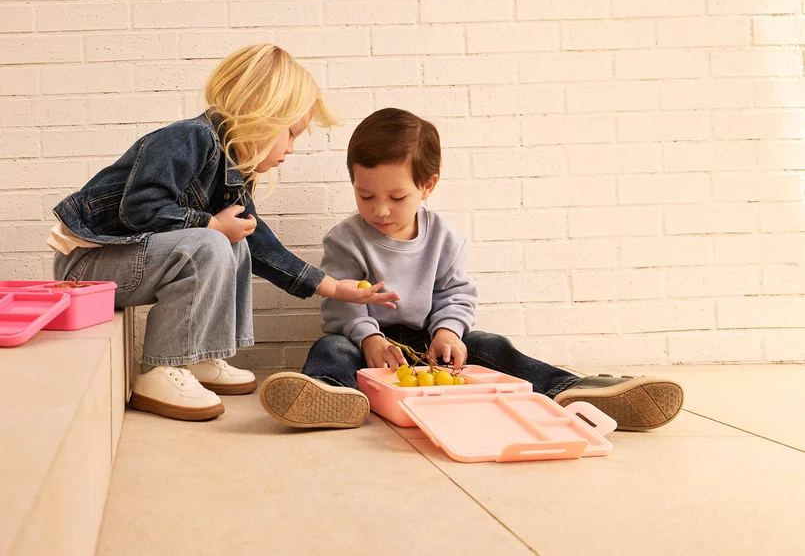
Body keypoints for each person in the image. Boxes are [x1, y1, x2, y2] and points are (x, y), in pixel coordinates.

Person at [259, 108, 684, 432]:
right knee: (331, 350)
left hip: (428, 341)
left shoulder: (445, 237)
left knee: (489, 344)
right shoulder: (345, 239)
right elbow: (345, 306)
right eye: (365, 196)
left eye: (396, 196)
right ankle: (333, 397)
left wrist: (448, 331)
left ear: (428, 186)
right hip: (369, 342)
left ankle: (568, 389)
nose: (381, 210)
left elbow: (456, 295)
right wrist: (369, 339)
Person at [48, 45, 399, 422]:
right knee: (213, 240)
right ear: (263, 116)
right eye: (291, 134)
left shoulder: (232, 168)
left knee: (235, 243)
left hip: (127, 265)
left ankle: (199, 355)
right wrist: (211, 225)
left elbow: (261, 246)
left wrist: (332, 287)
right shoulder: (188, 139)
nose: (292, 149)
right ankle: (161, 370)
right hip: (87, 270)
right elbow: (139, 208)